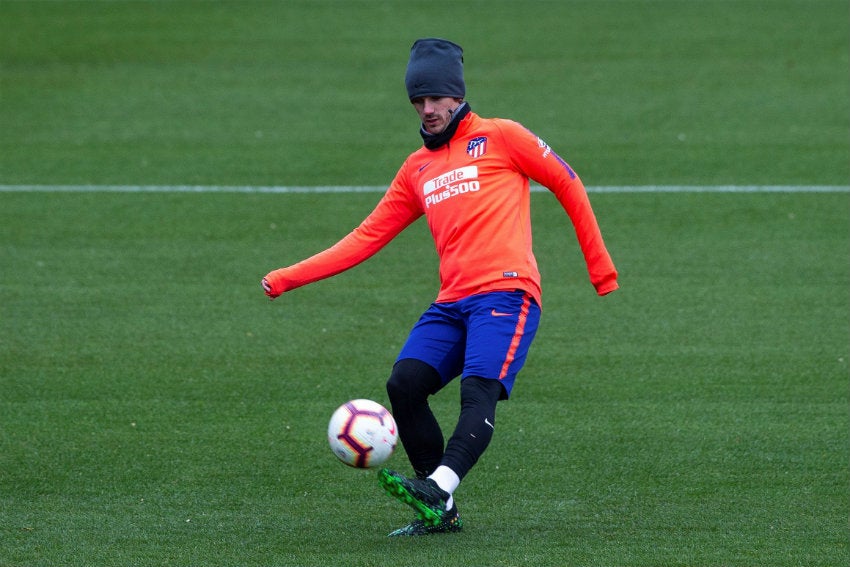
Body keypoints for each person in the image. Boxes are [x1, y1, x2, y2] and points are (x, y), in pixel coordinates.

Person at [262, 37, 618, 536]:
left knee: (479, 391)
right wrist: (287, 278)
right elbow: (366, 237)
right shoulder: (417, 169)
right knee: (405, 384)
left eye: (435, 99)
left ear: (456, 95)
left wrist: (600, 270)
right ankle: (440, 512)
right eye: (418, 101)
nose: (427, 110)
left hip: (507, 293)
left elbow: (567, 181)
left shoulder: (503, 136)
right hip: (452, 303)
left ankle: (439, 484)